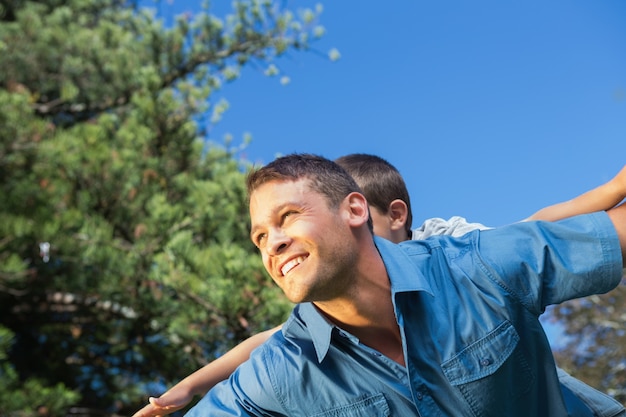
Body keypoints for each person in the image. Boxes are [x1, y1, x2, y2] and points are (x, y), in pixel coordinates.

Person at [133, 155, 626, 417]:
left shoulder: (467, 259)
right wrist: (191, 386)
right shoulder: (288, 363)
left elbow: (541, 235)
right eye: (259, 236)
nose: (272, 245)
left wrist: (611, 189)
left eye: (288, 218)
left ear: (355, 212)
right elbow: (266, 347)